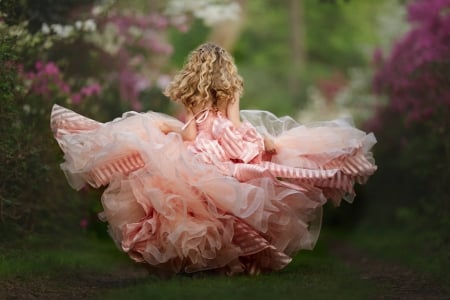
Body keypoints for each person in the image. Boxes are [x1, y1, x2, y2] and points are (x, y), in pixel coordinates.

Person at [51, 42, 377, 275]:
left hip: (197, 152)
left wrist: (171, 131)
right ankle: (244, 261)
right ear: (226, 72)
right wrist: (260, 141)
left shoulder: (193, 94)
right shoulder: (230, 92)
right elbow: (234, 127)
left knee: (198, 205)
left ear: (195, 70)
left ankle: (206, 263)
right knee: (241, 202)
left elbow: (191, 136)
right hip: (224, 148)